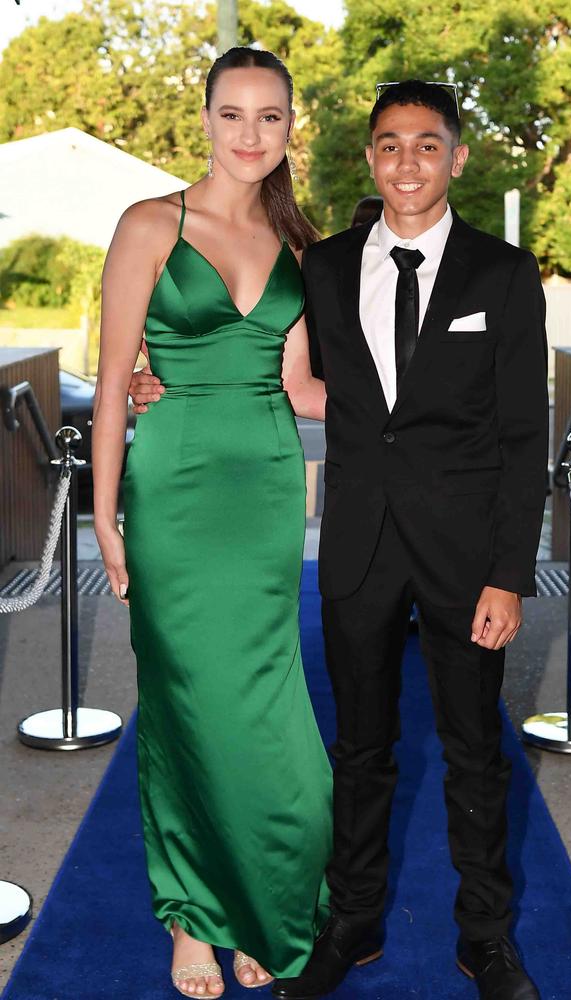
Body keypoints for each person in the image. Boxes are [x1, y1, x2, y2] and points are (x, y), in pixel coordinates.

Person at [130, 79, 549, 1000]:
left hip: (465, 555)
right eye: (390, 145)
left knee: (474, 749)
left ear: (458, 157)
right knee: (359, 749)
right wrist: (151, 382)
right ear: (370, 158)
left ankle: (487, 936)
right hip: (356, 545)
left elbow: (526, 437)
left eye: (428, 145)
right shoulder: (321, 265)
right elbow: (275, 373)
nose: (408, 162)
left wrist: (511, 575)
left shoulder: (504, 274)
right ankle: (351, 917)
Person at [93, 47, 332, 999]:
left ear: (288, 129)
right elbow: (113, 381)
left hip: (270, 488)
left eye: (269, 117)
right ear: (203, 119)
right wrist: (106, 515)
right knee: (189, 701)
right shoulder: (151, 223)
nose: (250, 135)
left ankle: (262, 896)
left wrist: (416, 407)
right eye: (232, 115)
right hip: (174, 489)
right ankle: (193, 913)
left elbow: (302, 386)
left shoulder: (300, 246)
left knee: (267, 711)